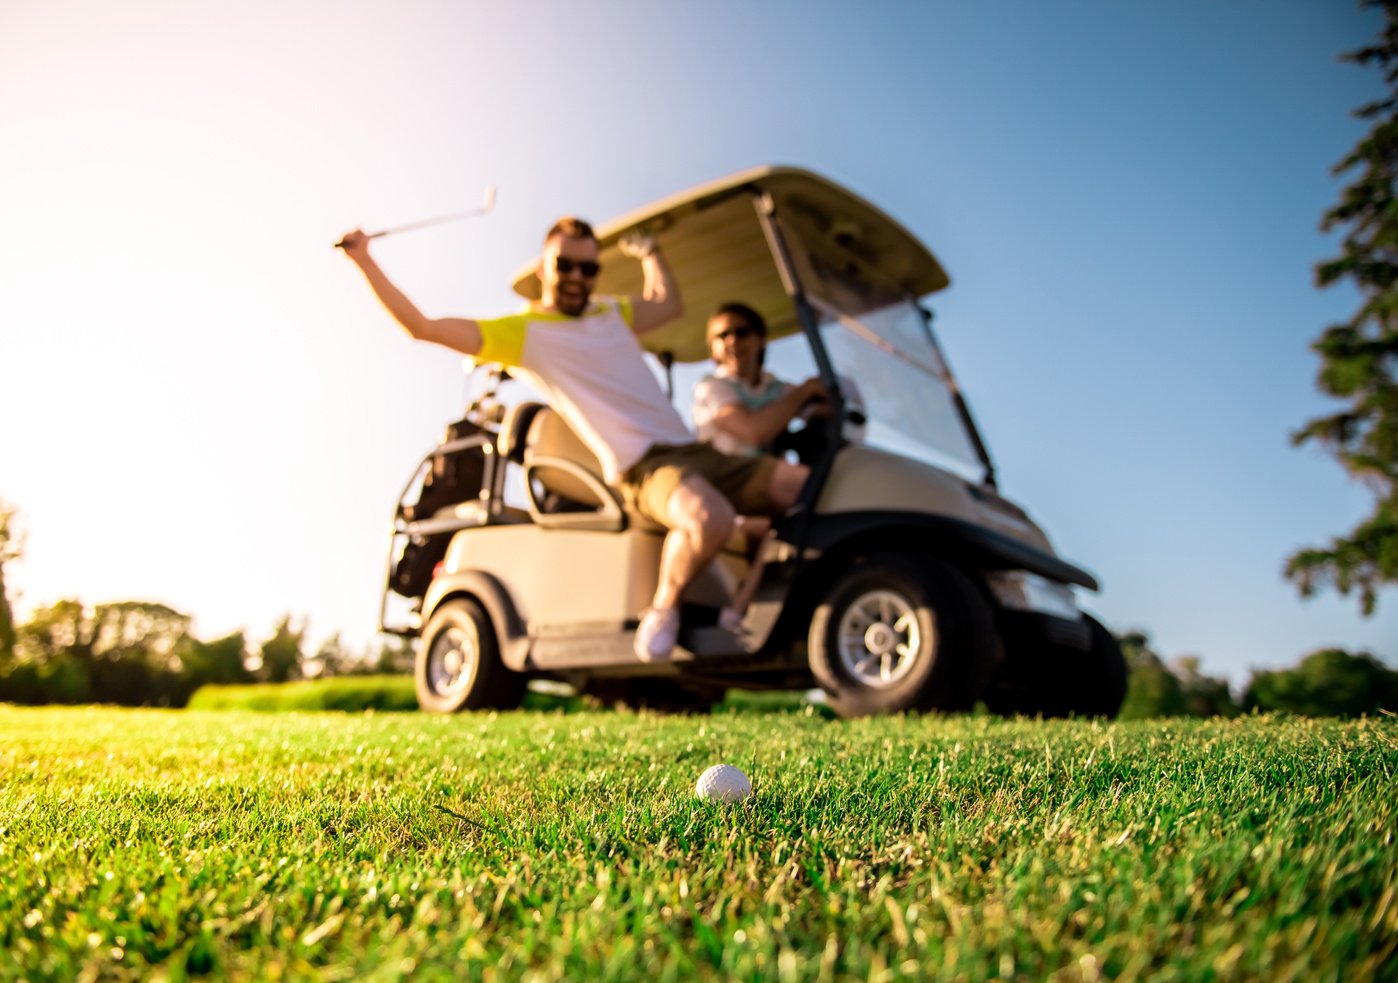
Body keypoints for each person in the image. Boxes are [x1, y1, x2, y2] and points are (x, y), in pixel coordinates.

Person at [338, 218, 811, 661]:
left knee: (804, 484)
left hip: (694, 450)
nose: (577, 277)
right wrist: (363, 260)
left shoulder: (610, 311)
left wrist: (651, 253)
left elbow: (667, 304)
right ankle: (663, 609)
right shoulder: (524, 334)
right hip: (645, 466)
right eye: (565, 265)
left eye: (589, 267)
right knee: (712, 517)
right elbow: (423, 328)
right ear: (545, 266)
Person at [691, 302, 829, 458]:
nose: (733, 341)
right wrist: (805, 391)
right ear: (712, 350)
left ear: (761, 340)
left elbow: (818, 411)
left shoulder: (777, 388)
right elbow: (753, 432)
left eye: (742, 332)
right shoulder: (710, 387)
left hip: (780, 477)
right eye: (722, 335)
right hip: (727, 480)